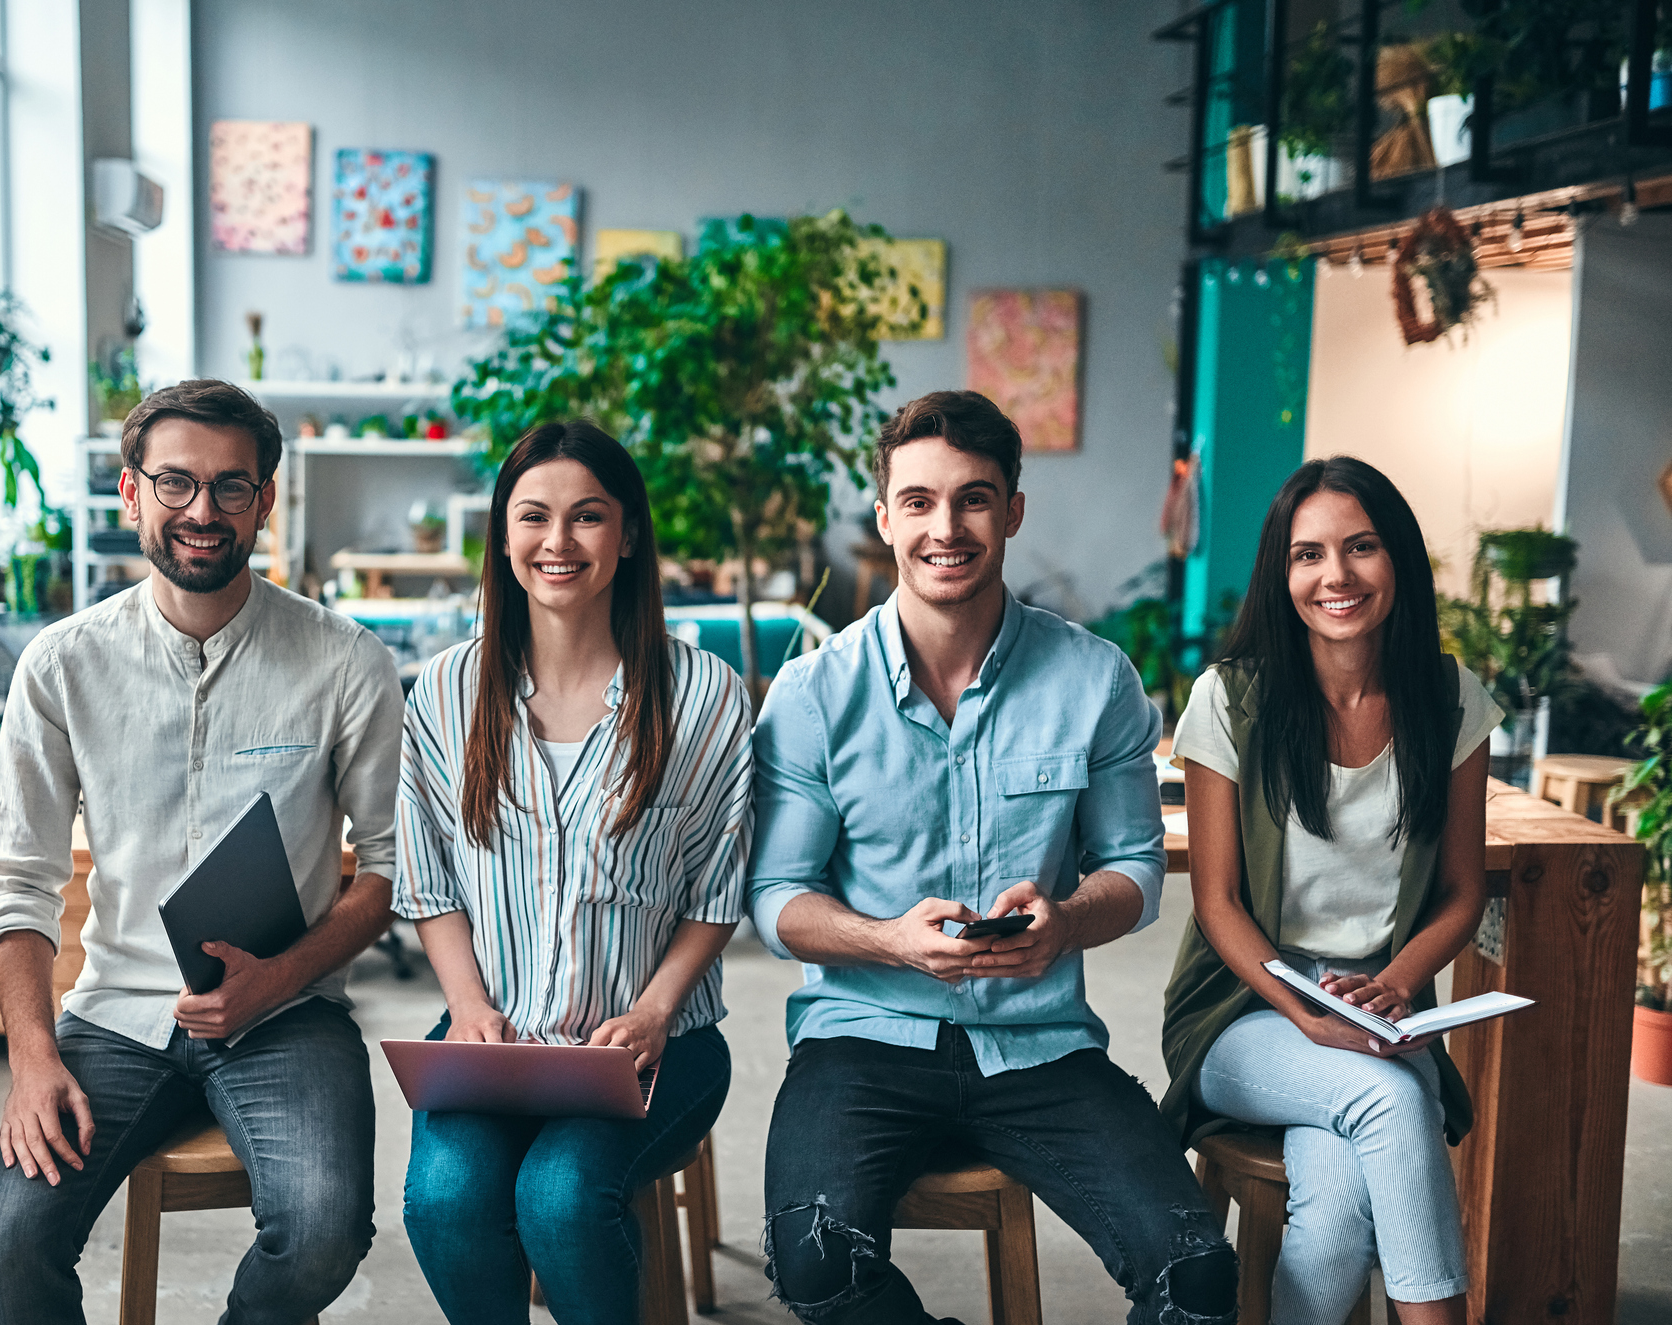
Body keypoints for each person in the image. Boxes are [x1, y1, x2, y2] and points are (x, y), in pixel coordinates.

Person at [748, 391, 1238, 1325]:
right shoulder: (815, 694)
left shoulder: (1095, 678)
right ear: (885, 515)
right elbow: (777, 899)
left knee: (1199, 1276)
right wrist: (890, 940)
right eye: (920, 501)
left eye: (974, 498)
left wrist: (1065, 922)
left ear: (1013, 510)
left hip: (1041, 1043)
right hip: (861, 1037)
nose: (946, 527)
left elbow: (1134, 869)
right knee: (813, 1259)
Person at [0, 379, 401, 1324]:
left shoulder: (344, 660)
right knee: (6, 1239)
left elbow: (390, 870)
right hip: (113, 1016)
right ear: (130, 492)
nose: (202, 511)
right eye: (174, 483)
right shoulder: (63, 662)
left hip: (288, 1014)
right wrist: (32, 1054)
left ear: (265, 499)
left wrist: (278, 976)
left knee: (325, 1225)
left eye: (230, 487)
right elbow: (17, 883)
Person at [394, 420, 751, 1325]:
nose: (557, 543)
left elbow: (716, 890)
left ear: (626, 534)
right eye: (534, 517)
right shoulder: (442, 692)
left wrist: (653, 1013)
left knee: (559, 1198)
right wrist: (468, 1007)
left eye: (586, 517)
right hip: (494, 1038)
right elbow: (430, 882)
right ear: (503, 536)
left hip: (656, 1044)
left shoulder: (701, 694)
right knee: (445, 1200)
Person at [1162, 457, 1494, 1325]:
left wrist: (1392, 986)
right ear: (1283, 573)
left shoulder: (1452, 699)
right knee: (1388, 1098)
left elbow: (1460, 891)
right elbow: (1217, 901)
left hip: (1383, 1007)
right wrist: (1307, 1010)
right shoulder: (1230, 700)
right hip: (1246, 1007)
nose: (1335, 575)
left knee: (1338, 1207)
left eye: (1361, 547)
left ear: (1399, 562)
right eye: (1308, 554)